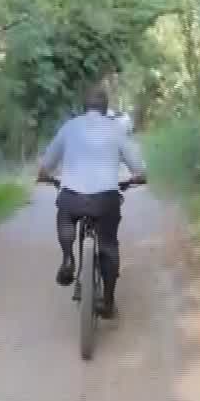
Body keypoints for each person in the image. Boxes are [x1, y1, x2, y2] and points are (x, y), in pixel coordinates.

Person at [36, 83, 147, 319]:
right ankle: (107, 301)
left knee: (64, 213)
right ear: (106, 108)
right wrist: (136, 179)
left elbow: (46, 165)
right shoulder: (117, 130)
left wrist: (45, 178)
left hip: (72, 197)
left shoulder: (69, 128)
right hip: (106, 199)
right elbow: (138, 168)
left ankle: (68, 258)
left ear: (83, 106)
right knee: (108, 246)